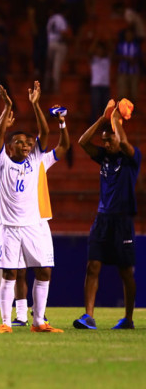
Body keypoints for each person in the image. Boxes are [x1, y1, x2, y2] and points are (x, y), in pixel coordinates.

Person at [0, 82, 69, 333]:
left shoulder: (35, 159)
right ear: (10, 146)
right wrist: (7, 108)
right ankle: (5, 322)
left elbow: (45, 134)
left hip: (34, 225)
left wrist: (36, 105)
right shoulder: (1, 161)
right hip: (10, 227)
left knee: (44, 271)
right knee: (10, 275)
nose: (26, 146)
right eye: (20, 142)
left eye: (28, 142)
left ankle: (38, 321)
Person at [74, 102, 141, 330]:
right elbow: (83, 142)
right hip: (101, 219)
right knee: (93, 266)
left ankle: (128, 319)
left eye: (108, 139)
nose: (105, 143)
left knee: (125, 271)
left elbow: (123, 142)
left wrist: (115, 118)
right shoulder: (103, 156)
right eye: (103, 140)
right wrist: (104, 119)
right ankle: (88, 316)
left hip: (122, 220)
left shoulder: (133, 157)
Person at [44, 6, 69, 93]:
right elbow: (63, 32)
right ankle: (55, 88)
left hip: (50, 44)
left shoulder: (51, 19)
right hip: (58, 44)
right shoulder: (60, 18)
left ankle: (46, 86)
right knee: (56, 67)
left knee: (49, 67)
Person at [116, 28, 141, 103]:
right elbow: (116, 56)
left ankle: (134, 110)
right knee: (122, 93)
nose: (129, 36)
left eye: (130, 34)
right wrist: (125, 58)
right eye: (127, 34)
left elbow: (140, 57)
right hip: (122, 71)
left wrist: (134, 60)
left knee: (134, 92)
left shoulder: (136, 46)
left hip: (134, 72)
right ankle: (121, 110)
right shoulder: (120, 45)